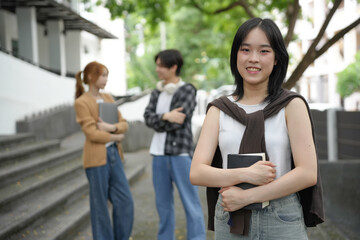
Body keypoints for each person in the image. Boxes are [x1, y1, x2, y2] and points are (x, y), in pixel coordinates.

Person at [190, 18, 324, 239]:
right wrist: (246, 174)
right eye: (245, 50)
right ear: (236, 56)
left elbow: (308, 173)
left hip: (281, 217)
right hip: (231, 215)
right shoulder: (219, 109)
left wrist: (247, 196)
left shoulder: (291, 105)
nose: (253, 59)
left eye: (264, 51)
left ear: (277, 58)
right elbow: (197, 172)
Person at [143, 49, 206, 240]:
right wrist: (165, 116)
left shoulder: (187, 89)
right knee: (163, 205)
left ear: (174, 67)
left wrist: (161, 119)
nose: (158, 69)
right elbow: (147, 118)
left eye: (161, 65)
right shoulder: (157, 92)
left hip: (180, 154)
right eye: (157, 65)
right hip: (158, 154)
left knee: (190, 202)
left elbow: (178, 120)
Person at [74, 61, 134, 240]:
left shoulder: (108, 98)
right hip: (95, 159)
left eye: (107, 75)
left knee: (125, 202)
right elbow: (91, 133)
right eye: (103, 75)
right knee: (99, 207)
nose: (106, 79)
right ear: (91, 77)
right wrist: (115, 137)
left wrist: (110, 127)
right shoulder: (81, 102)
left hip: (114, 155)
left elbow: (124, 124)